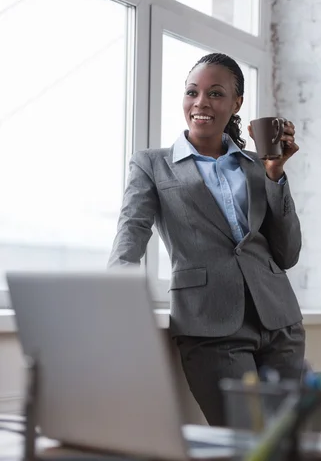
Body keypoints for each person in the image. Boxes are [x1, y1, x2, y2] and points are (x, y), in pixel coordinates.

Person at [108, 52, 304, 426]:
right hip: (209, 326)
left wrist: (276, 175)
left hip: (280, 323)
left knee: (282, 445)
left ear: (236, 104)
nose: (201, 103)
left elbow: (288, 252)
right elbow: (131, 232)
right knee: (244, 442)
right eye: (192, 92)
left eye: (215, 94)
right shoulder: (152, 164)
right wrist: (114, 304)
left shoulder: (256, 164)